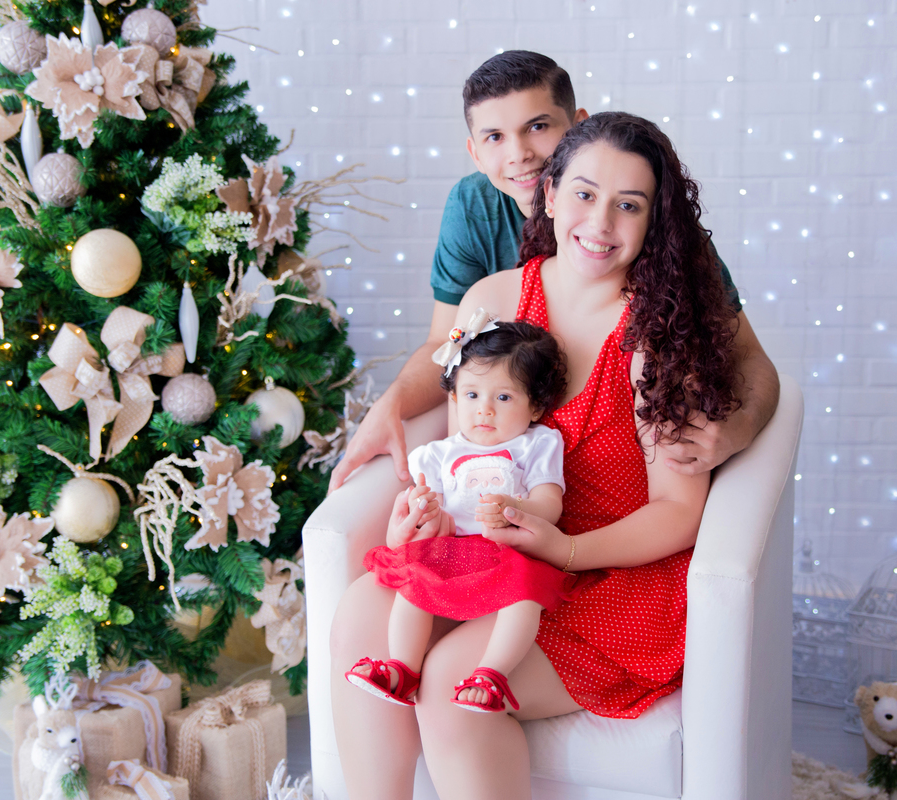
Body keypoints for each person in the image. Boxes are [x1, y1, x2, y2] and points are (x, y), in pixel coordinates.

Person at [331, 112, 741, 799]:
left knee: (455, 684)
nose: (601, 222)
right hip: (492, 549)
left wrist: (564, 548)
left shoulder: (659, 335)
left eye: (628, 205)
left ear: (654, 221)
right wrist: (421, 509)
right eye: (583, 194)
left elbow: (678, 512)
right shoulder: (494, 300)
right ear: (549, 196)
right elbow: (460, 435)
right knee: (363, 613)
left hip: (607, 570)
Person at [328, 50, 778, 493]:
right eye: (494, 137)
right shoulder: (472, 207)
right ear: (475, 151)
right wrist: (392, 403)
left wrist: (740, 427)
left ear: (577, 125)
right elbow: (445, 343)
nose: (519, 154)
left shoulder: (656, 234)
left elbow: (749, 356)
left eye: (537, 127)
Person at [345, 316, 600, 713]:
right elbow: (439, 520)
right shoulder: (438, 455)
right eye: (472, 395)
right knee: (414, 581)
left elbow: (550, 504)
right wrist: (425, 513)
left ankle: (492, 673)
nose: (485, 410)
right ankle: (403, 668)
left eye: (503, 398)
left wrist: (516, 510)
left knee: (525, 596)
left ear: (534, 407)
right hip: (454, 553)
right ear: (454, 399)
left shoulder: (535, 445)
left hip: (509, 553)